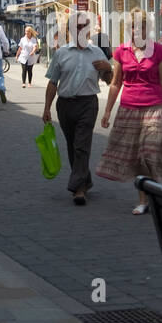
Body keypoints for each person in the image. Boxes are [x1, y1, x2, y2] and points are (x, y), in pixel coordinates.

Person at [97, 9, 162, 215]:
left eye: (141, 26)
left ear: (147, 29)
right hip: (129, 109)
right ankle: (143, 199)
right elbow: (115, 83)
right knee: (138, 157)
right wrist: (107, 112)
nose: (137, 30)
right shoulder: (121, 51)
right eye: (133, 26)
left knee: (150, 152)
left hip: (155, 106)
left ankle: (158, 192)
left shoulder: (158, 50)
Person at [42, 13, 112, 205]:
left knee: (81, 145)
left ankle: (78, 189)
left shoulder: (97, 52)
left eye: (84, 26)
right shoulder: (61, 53)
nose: (81, 30)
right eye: (77, 27)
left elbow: (109, 80)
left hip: (88, 104)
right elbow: (53, 83)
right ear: (71, 30)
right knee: (73, 146)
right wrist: (47, 108)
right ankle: (85, 180)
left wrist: (108, 68)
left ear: (89, 29)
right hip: (65, 105)